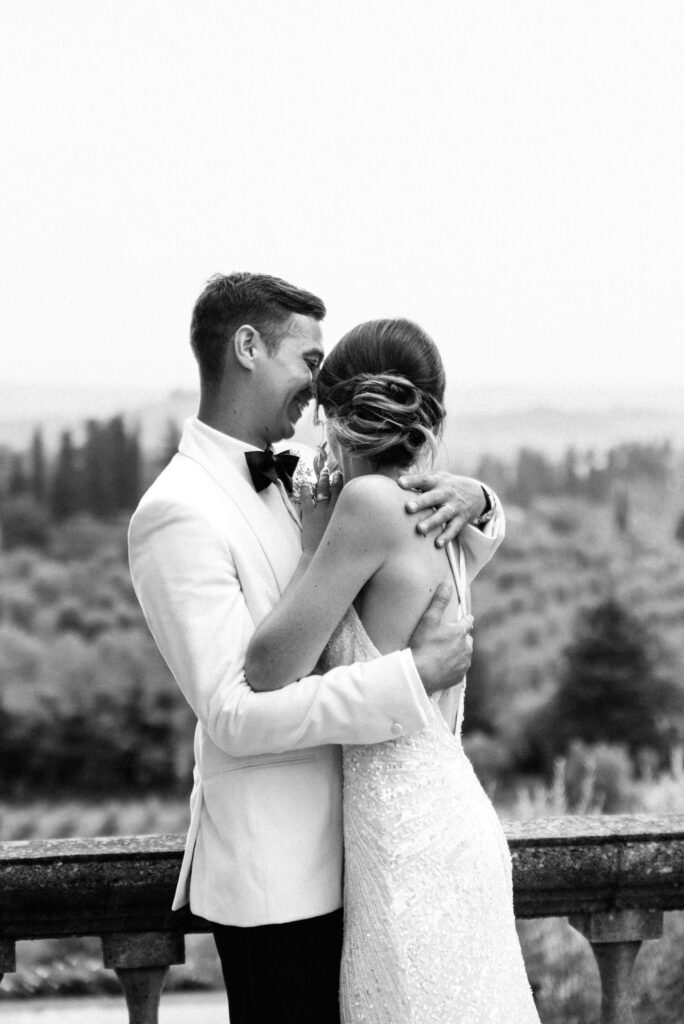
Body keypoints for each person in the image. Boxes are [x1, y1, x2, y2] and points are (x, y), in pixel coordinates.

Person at [127, 273, 504, 1024]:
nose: (318, 388)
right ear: (247, 347)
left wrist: (483, 499)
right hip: (279, 879)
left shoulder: (316, 489)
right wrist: (409, 682)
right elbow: (233, 712)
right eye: (308, 360)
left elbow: (408, 542)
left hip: (372, 855)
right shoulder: (176, 513)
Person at [246, 318, 540, 1023]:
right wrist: (483, 495)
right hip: (435, 823)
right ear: (433, 412)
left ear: (334, 414)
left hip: (410, 843)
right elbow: (487, 531)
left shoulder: (369, 505)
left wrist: (314, 527)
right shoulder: (442, 512)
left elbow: (266, 667)